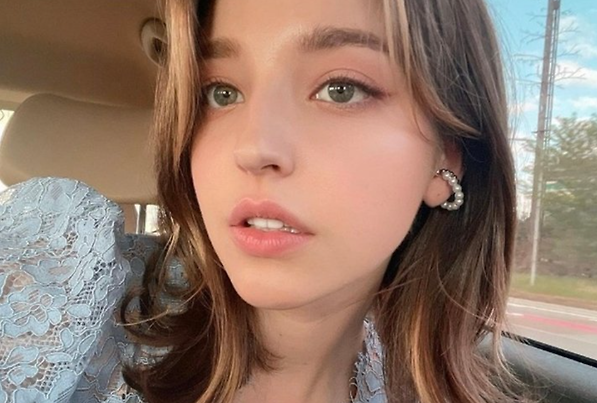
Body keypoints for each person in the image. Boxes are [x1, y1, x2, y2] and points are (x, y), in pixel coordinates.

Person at [119, 0, 527, 402]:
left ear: (447, 156)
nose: (254, 148)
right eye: (221, 93)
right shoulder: (89, 295)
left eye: (341, 90)